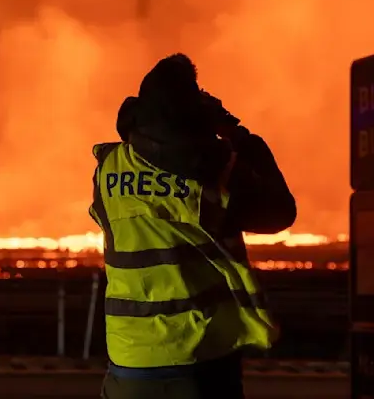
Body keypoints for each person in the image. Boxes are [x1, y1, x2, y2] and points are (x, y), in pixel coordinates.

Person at [88, 53, 297, 399]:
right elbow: (281, 212)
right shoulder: (216, 175)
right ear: (193, 110)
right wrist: (235, 133)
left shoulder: (108, 169)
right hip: (201, 358)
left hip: (129, 359)